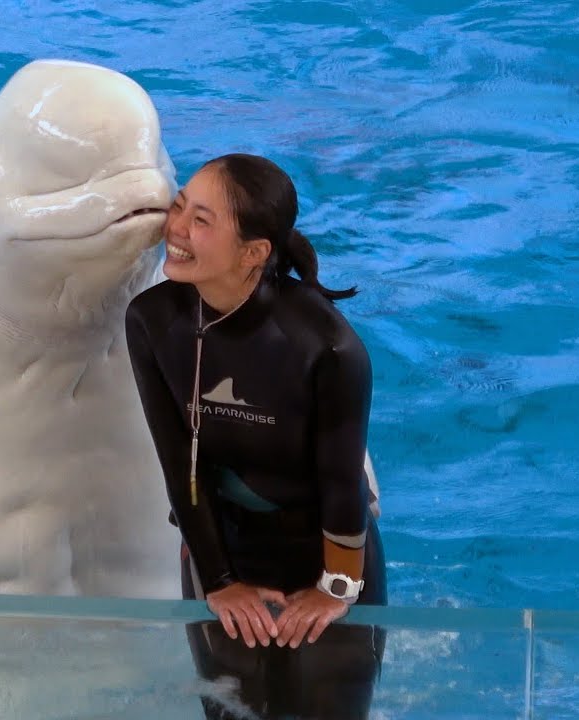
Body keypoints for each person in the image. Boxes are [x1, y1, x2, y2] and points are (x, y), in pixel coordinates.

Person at [124, 153, 388, 719]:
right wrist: (218, 580)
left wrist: (336, 586)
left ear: (254, 252)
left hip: (324, 554)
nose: (176, 229)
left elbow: (343, 486)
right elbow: (180, 466)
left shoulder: (328, 350)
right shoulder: (152, 321)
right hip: (222, 547)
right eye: (179, 206)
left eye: (202, 220)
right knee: (232, 713)